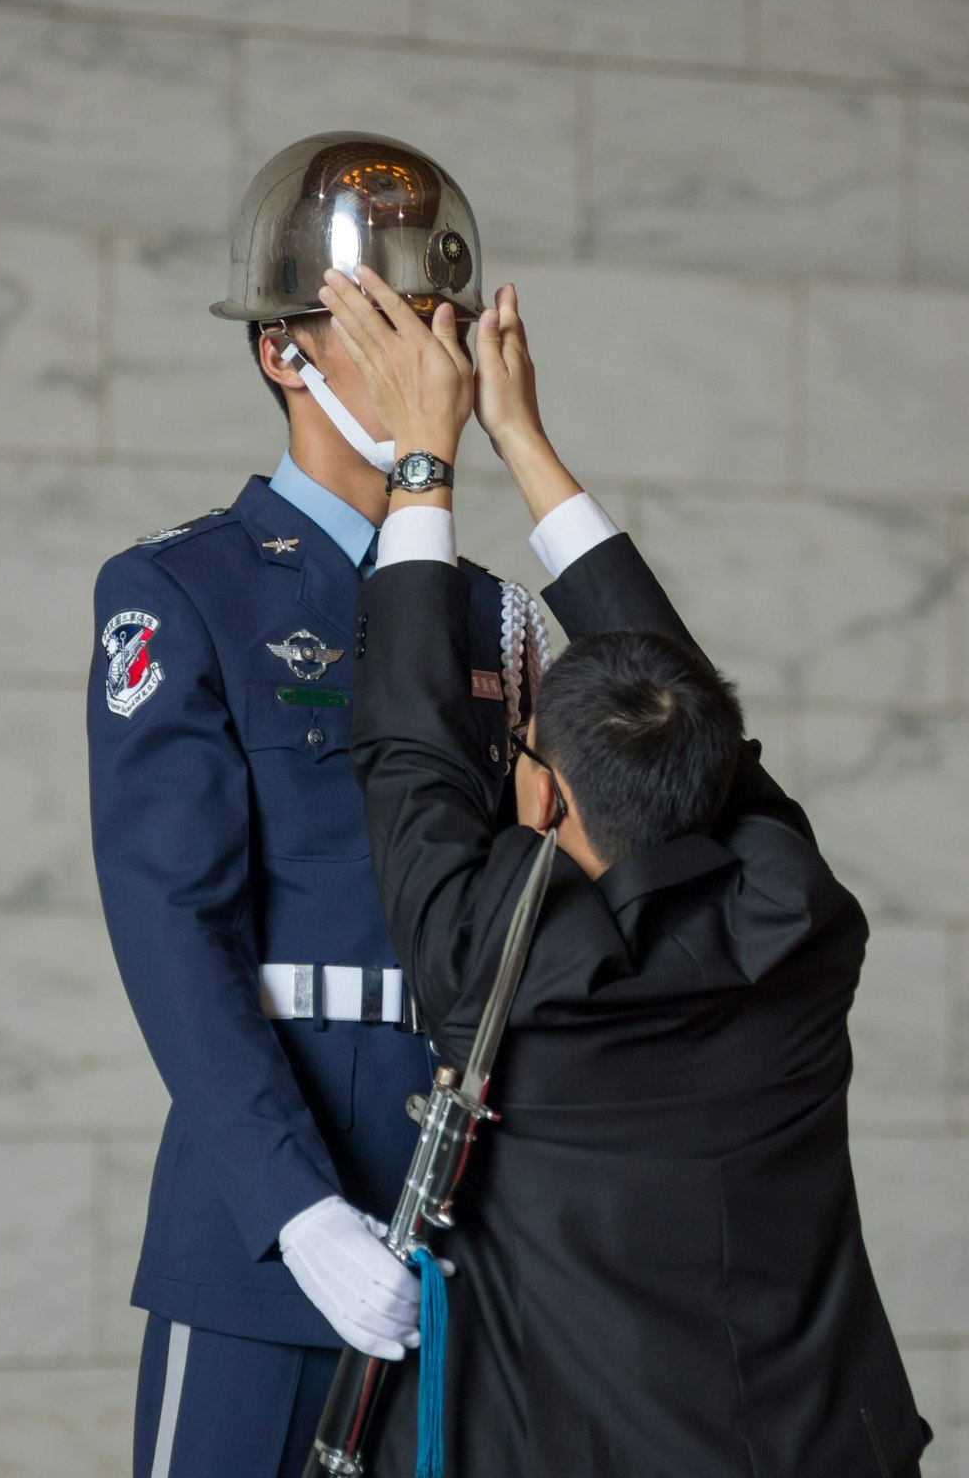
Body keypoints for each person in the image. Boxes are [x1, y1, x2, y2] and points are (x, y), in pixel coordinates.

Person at [316, 263, 933, 1476]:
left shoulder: (498, 962)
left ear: (536, 791)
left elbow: (405, 749)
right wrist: (522, 443)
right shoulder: (799, 913)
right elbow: (690, 721)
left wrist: (425, 462)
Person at [87, 134, 545, 1478]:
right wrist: (298, 1209)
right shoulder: (184, 590)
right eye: (393, 322)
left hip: (482, 1218)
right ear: (287, 354)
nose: (435, 359)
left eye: (444, 319)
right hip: (269, 1213)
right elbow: (174, 922)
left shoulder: (498, 618)